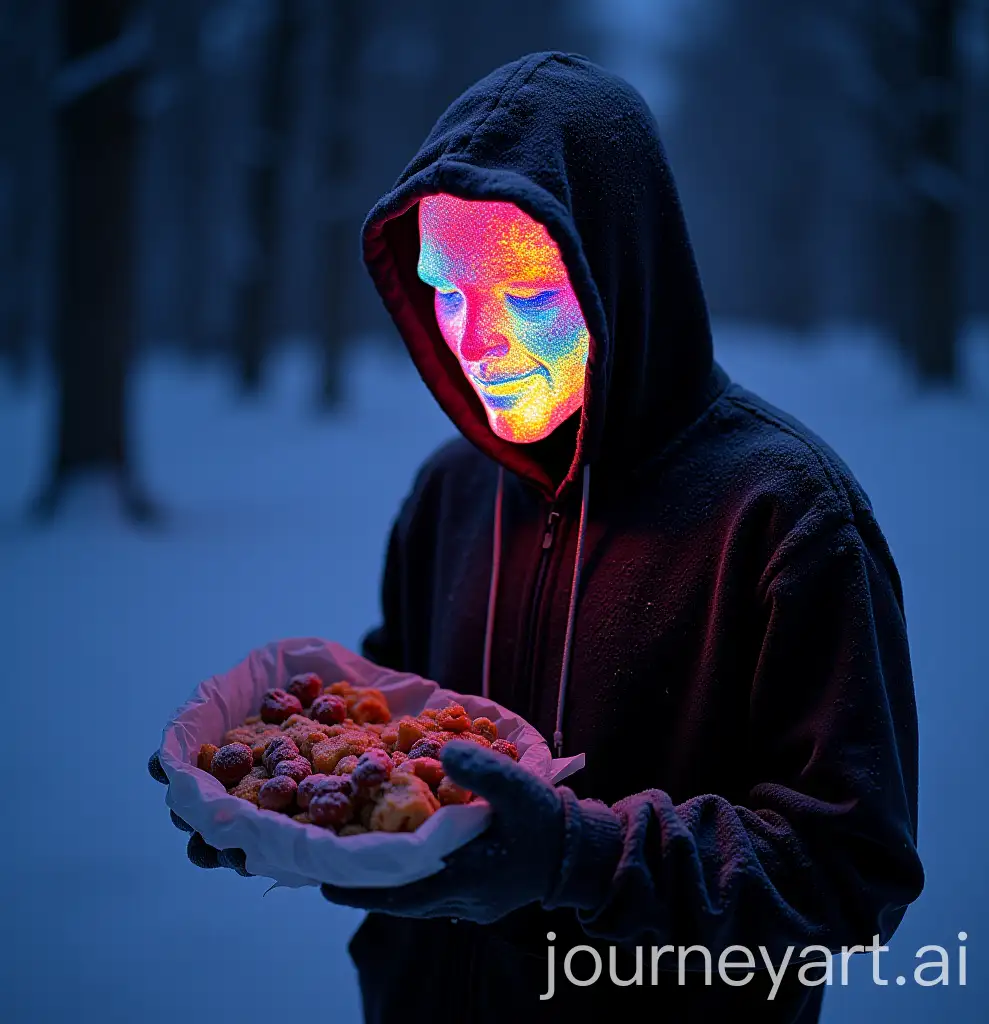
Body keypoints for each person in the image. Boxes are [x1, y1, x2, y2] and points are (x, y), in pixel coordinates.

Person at [149, 51, 925, 1022]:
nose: (476, 345)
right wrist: (286, 800)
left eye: (525, 298)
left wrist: (576, 858)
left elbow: (851, 877)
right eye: (447, 292)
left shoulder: (784, 517)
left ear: (620, 273)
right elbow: (399, 726)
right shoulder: (449, 493)